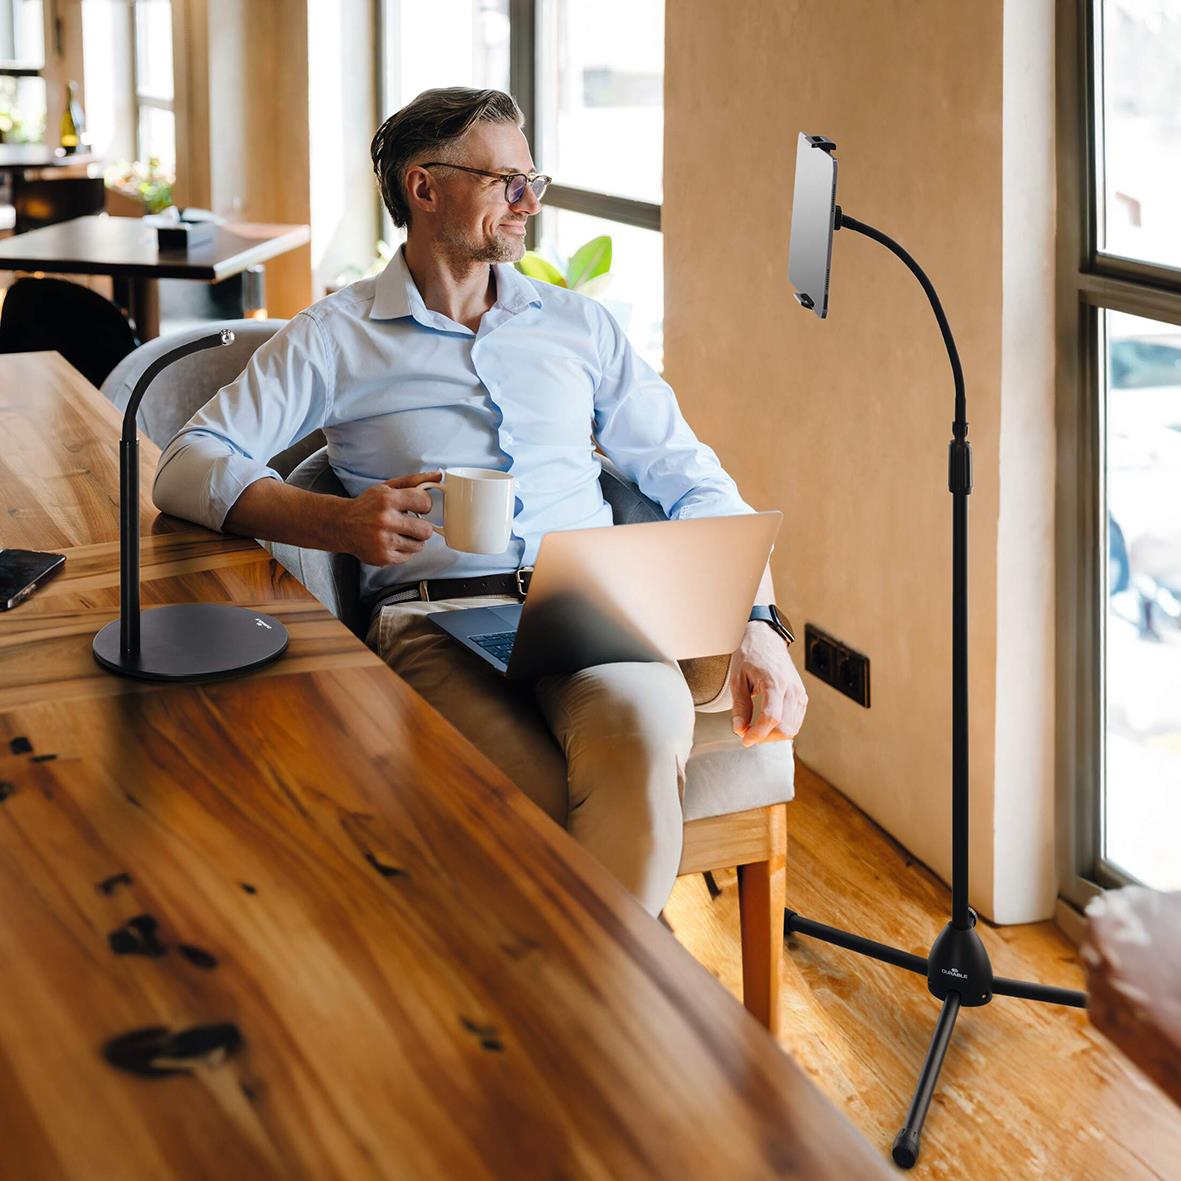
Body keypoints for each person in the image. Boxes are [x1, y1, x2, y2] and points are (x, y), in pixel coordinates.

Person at [153, 87, 807, 916]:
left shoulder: (582, 327)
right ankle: (621, 1021)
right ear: (424, 189)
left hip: (598, 613)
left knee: (638, 740)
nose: (528, 202)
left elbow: (691, 475)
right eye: (506, 181)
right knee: (528, 815)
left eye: (533, 180)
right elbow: (185, 462)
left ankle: (582, 1030)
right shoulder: (334, 335)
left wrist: (758, 621)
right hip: (434, 622)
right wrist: (337, 522)